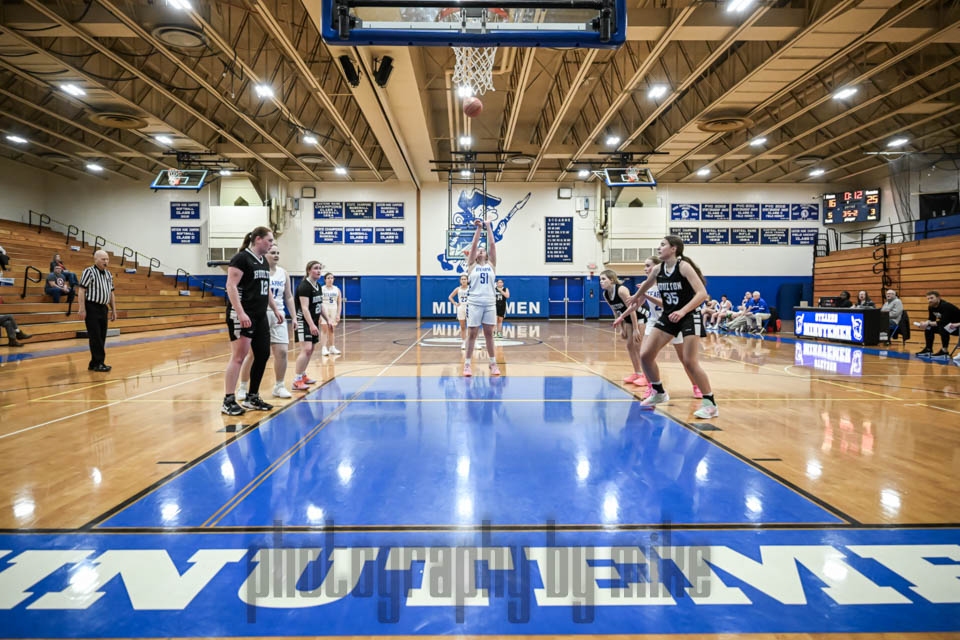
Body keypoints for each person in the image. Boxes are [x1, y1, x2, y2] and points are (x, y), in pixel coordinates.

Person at [615, 235, 717, 419]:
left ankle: (710, 404)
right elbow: (646, 284)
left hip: (689, 315)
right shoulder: (658, 269)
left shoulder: (683, 267)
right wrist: (635, 296)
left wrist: (683, 310)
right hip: (669, 316)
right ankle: (659, 391)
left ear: (674, 248)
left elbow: (702, 294)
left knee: (689, 361)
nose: (659, 248)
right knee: (646, 355)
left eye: (663, 245)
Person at [222, 226, 284, 416]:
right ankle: (228, 400)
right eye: (270, 240)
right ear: (258, 239)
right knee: (238, 357)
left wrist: (275, 308)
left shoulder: (263, 261)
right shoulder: (241, 258)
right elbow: (231, 286)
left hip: (260, 315)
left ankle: (252, 397)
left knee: (263, 354)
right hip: (242, 314)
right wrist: (241, 313)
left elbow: (267, 288)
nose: (272, 244)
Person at [639, 256, 704, 400]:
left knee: (685, 359)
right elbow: (638, 302)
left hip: (674, 320)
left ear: (658, 267)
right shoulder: (646, 284)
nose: (645, 269)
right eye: (645, 266)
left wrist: (647, 296)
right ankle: (653, 388)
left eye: (648, 266)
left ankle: (696, 386)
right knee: (645, 355)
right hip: (654, 322)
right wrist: (622, 316)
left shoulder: (667, 281)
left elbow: (666, 305)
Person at [237, 244, 295, 401]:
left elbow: (289, 296)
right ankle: (243, 387)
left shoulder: (284, 273)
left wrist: (294, 317)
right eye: (272, 252)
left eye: (278, 252)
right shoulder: (258, 270)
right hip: (260, 313)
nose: (276, 255)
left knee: (282, 352)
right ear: (265, 254)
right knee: (253, 354)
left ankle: (279, 386)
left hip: (278, 314)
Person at [463, 219, 500, 377]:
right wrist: (479, 228)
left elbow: (492, 245)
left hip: (490, 304)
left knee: (489, 334)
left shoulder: (491, 265)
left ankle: (493, 363)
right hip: (474, 303)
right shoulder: (472, 265)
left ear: (486, 254)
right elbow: (473, 246)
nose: (480, 251)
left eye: (482, 250)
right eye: (479, 250)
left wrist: (488, 226)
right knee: (472, 334)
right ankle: (467, 365)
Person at [599, 269, 645, 385]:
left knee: (637, 345)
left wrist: (635, 329)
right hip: (628, 318)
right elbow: (615, 311)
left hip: (640, 315)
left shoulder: (621, 290)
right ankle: (637, 373)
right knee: (629, 346)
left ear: (612, 280)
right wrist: (621, 328)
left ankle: (646, 375)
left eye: (603, 279)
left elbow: (632, 309)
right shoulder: (606, 294)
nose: (601, 281)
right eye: (600, 279)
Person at [75, 250, 116, 372]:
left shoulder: (108, 274)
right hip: (91, 307)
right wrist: (82, 308)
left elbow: (111, 293)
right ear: (96, 259)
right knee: (95, 336)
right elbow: (81, 290)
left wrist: (114, 310)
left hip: (103, 308)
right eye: (103, 259)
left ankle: (94, 363)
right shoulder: (89, 271)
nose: (106, 261)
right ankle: (99, 363)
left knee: (102, 336)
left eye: (107, 259)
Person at [293, 261, 328, 390]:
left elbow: (320, 304)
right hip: (304, 321)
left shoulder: (318, 285)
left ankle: (303, 375)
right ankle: (296, 380)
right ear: (309, 270)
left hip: (313, 321)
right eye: (315, 268)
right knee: (306, 349)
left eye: (320, 268)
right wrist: (312, 325)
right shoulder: (304, 286)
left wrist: (328, 319)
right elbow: (304, 308)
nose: (318, 271)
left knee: (311, 349)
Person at [917, 291, 960, 358]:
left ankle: (944, 351)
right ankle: (928, 349)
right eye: (928, 299)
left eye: (931, 298)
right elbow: (931, 319)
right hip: (950, 327)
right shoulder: (931, 307)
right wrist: (924, 324)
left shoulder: (945, 306)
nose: (929, 300)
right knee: (929, 327)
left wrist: (928, 323)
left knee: (942, 327)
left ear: (938, 298)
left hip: (958, 327)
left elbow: (943, 322)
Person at [320, 272, 342, 356]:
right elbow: (318, 303)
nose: (330, 279)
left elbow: (339, 303)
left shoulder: (337, 289)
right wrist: (319, 315)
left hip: (333, 310)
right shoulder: (321, 289)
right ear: (325, 279)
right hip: (324, 310)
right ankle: (324, 348)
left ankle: (332, 347)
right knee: (324, 329)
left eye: (332, 278)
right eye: (328, 278)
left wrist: (338, 314)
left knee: (332, 329)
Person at [448, 274, 470, 350]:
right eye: (462, 279)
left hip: (469, 308)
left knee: (471, 327)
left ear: (467, 280)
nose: (463, 280)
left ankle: (474, 342)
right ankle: (464, 343)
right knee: (463, 327)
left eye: (465, 279)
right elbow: (450, 297)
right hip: (461, 308)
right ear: (460, 281)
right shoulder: (458, 289)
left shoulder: (471, 288)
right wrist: (455, 303)